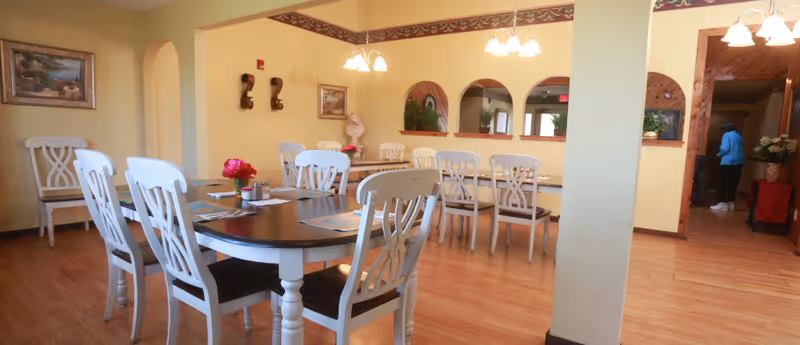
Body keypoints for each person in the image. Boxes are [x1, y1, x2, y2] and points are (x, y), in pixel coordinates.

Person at [711, 121, 745, 211]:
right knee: (733, 184)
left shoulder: (727, 135)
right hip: (739, 162)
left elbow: (725, 148)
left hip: (728, 162)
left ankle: (722, 203)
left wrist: (718, 155)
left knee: (723, 183)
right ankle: (731, 203)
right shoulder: (738, 136)